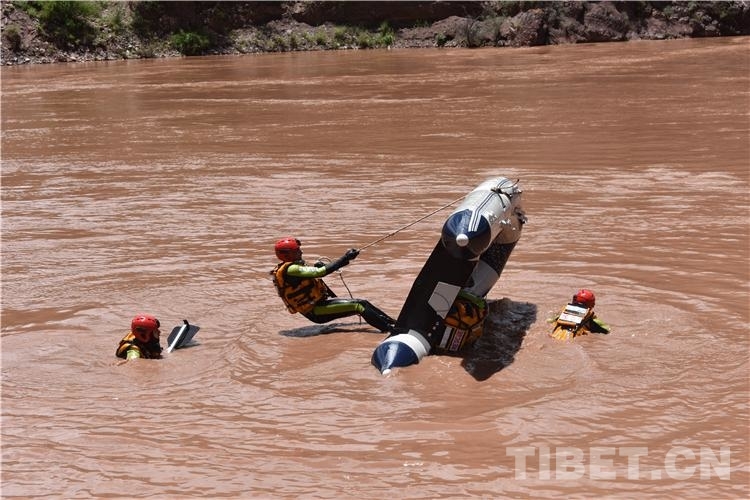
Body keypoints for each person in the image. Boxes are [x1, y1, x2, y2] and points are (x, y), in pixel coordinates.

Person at [270, 237, 395, 333]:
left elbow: (315, 273)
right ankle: (390, 330)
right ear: (287, 255)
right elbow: (320, 272)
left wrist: (323, 266)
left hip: (318, 305)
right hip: (315, 311)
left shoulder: (293, 267)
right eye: (297, 250)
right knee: (358, 305)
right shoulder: (291, 269)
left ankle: (393, 323)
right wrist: (345, 258)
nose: (301, 251)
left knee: (364, 303)